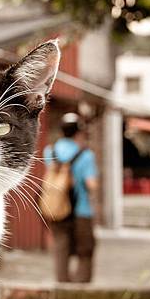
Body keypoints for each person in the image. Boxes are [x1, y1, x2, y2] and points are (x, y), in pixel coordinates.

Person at [43, 112, 98, 283]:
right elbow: (91, 184)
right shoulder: (86, 155)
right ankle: (81, 284)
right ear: (78, 132)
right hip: (81, 209)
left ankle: (62, 283)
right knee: (85, 249)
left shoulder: (49, 151)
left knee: (60, 247)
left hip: (57, 207)